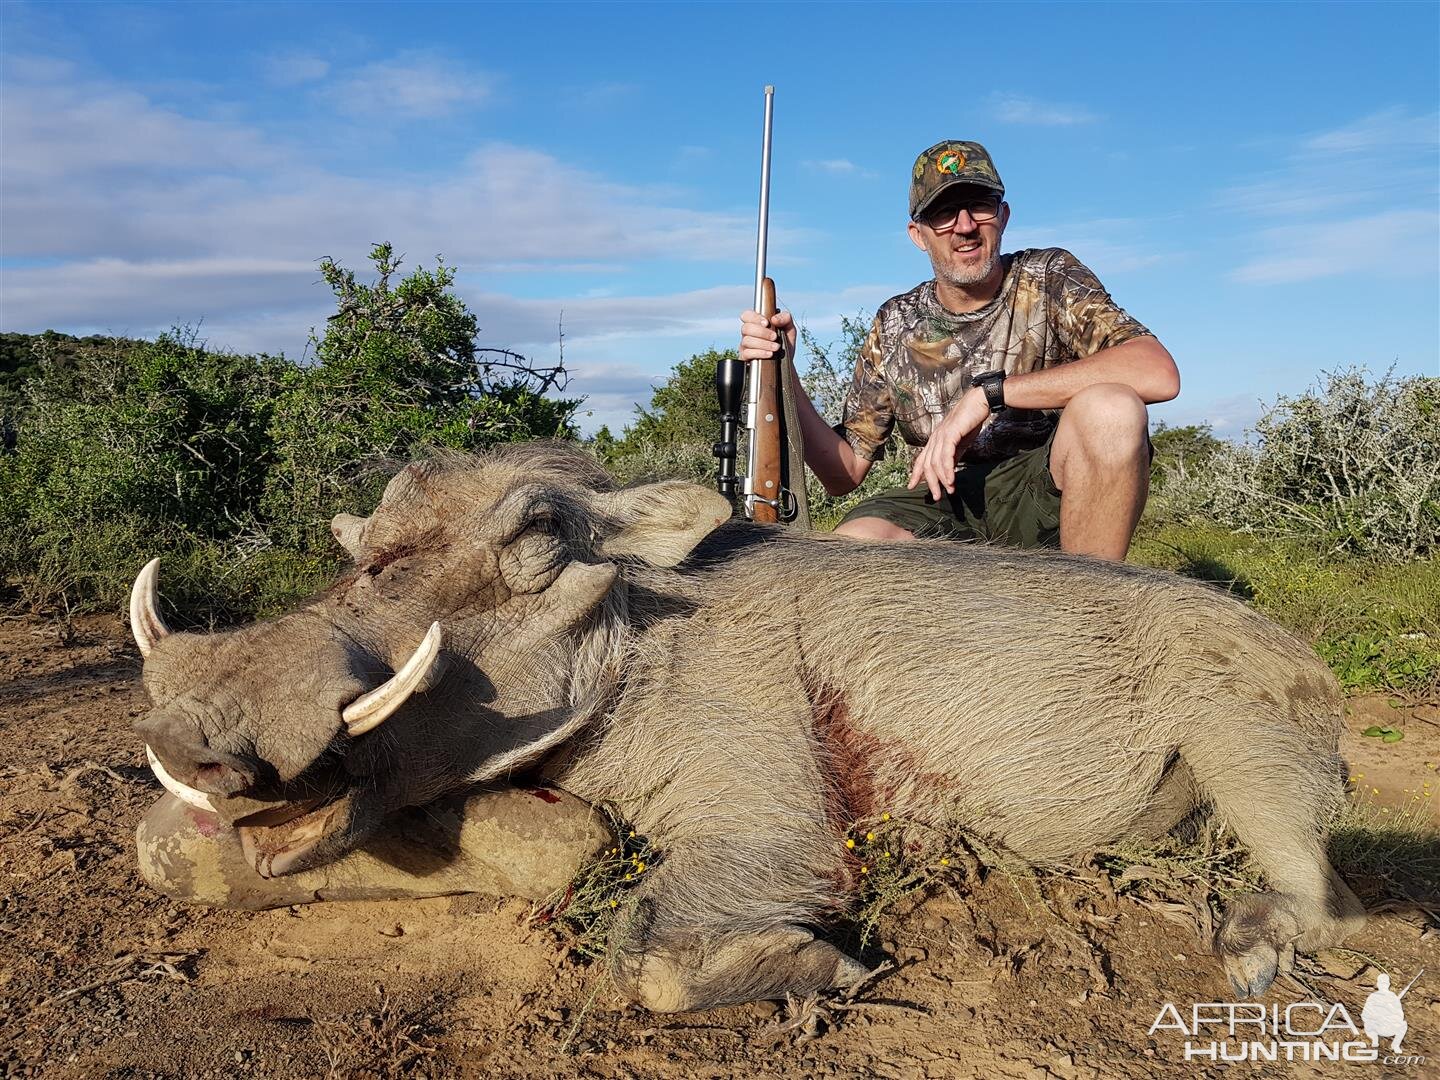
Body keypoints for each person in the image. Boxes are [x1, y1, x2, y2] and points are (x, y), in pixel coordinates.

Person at [738, 140, 1179, 560]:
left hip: (1041, 491)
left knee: (1112, 409)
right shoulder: (895, 321)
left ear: (1003, 215)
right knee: (855, 545)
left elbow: (1156, 372)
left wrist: (988, 395)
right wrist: (784, 372)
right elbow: (843, 473)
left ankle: (1093, 614)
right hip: (939, 501)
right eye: (944, 214)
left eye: (980, 206)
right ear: (918, 234)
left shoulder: (1050, 275)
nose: (965, 226)